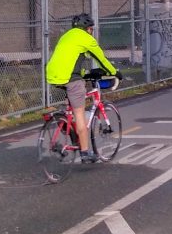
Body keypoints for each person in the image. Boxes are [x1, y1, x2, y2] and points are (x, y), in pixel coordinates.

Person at [45, 13, 118, 162]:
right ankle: (85, 152)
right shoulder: (86, 38)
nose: (91, 32)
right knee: (80, 114)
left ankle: (68, 128)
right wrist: (114, 72)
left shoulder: (66, 36)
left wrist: (83, 73)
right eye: (91, 29)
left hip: (53, 76)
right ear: (88, 29)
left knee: (71, 108)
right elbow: (101, 58)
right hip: (70, 78)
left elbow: (70, 59)